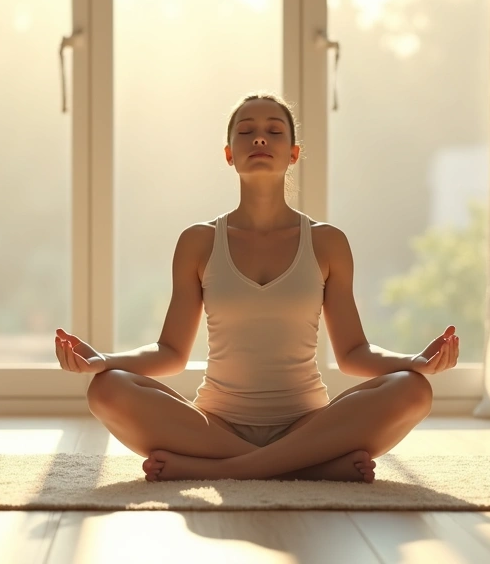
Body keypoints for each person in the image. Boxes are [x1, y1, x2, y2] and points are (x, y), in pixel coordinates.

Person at [54, 93, 459, 483]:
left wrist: (415, 362)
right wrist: (102, 361)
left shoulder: (326, 242)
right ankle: (307, 468)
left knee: (413, 390)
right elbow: (171, 353)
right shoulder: (199, 241)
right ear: (229, 154)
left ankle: (223, 469)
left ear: (294, 154)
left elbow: (354, 354)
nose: (260, 138)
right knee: (106, 389)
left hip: (308, 424)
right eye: (246, 131)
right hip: (214, 425)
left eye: (274, 131)